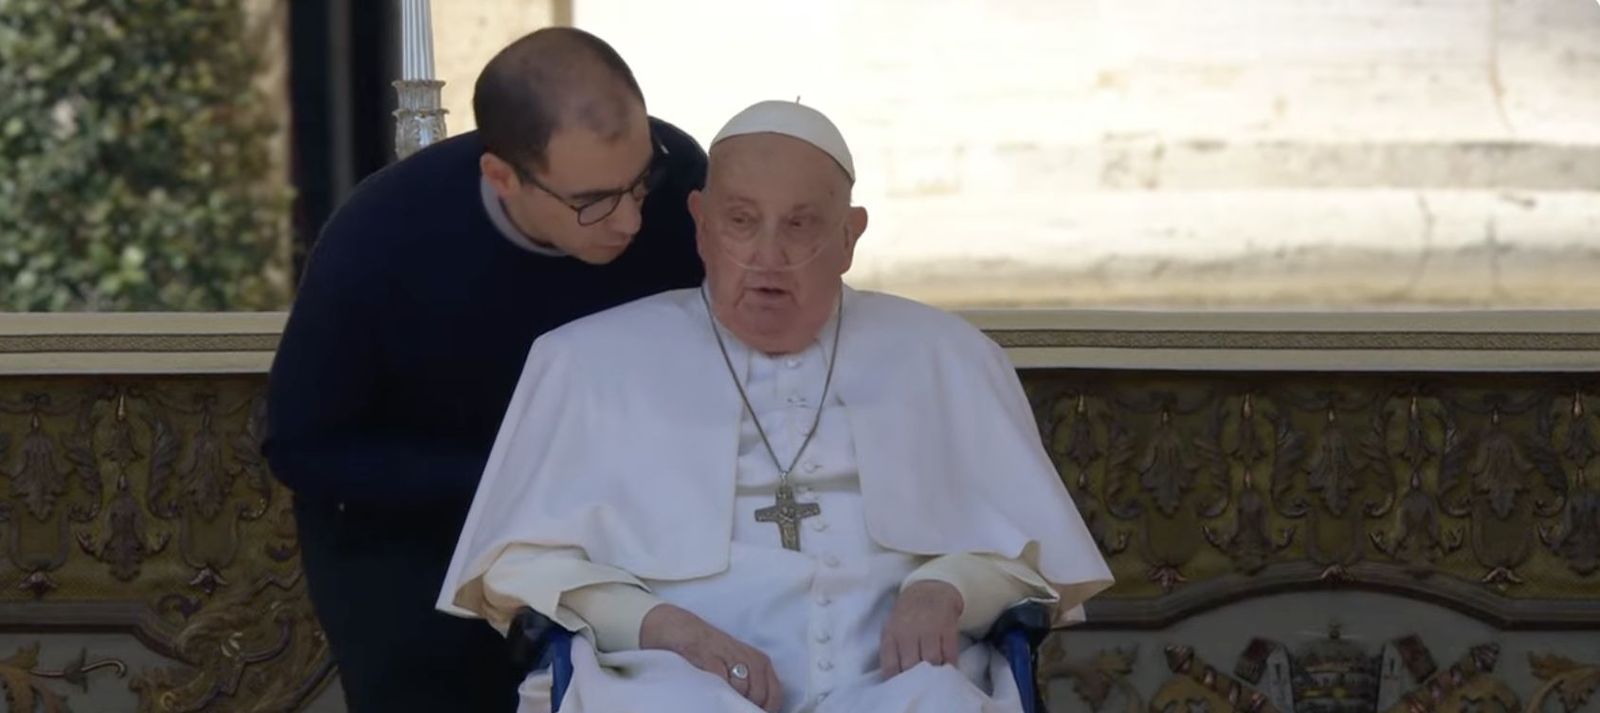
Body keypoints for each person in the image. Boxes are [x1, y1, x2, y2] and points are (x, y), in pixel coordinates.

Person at [437, 99, 1115, 713]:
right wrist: (663, 627)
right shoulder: (586, 361)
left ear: (850, 236)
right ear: (700, 226)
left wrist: (948, 586)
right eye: (740, 222)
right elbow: (518, 567)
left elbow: (1035, 557)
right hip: (669, 682)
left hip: (898, 686)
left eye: (801, 226)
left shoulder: (948, 355)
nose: (767, 255)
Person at [262, 27, 707, 713]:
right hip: (412, 544)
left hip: (625, 529)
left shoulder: (676, 183)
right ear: (502, 177)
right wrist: (516, 482)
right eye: (593, 200)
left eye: (639, 181)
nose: (630, 221)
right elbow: (301, 443)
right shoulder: (379, 238)